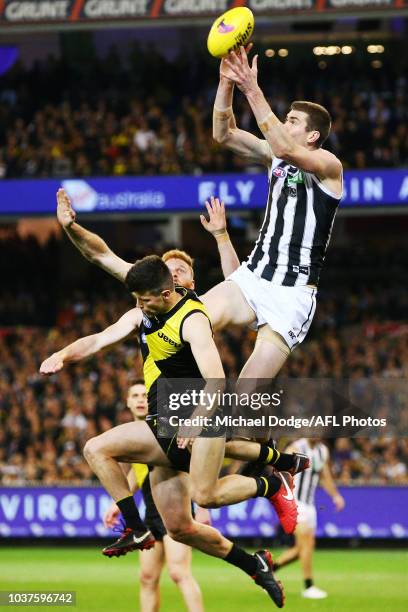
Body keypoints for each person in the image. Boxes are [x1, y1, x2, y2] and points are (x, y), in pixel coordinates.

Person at [40, 255, 286, 608]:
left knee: (198, 492)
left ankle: (270, 483)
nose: (139, 305)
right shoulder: (144, 315)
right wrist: (62, 355)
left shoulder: (193, 319)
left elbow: (216, 381)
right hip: (164, 423)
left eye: (145, 299)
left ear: (167, 292)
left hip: (197, 420)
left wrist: (194, 420)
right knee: (181, 528)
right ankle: (255, 564)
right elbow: (97, 339)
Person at [104, 380, 206, 612]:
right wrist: (118, 503)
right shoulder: (131, 435)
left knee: (179, 573)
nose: (140, 399)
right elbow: (136, 475)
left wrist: (202, 507)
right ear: (128, 403)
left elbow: (193, 466)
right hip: (150, 512)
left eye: (144, 395)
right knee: (148, 577)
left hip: (174, 507)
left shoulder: (167, 427)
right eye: (135, 396)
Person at [273, 438, 345, 600]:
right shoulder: (296, 447)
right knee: (307, 546)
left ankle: (268, 572)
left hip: (310, 505)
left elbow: (324, 475)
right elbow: (279, 469)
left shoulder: (322, 451)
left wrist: (335, 496)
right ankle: (308, 586)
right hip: (295, 503)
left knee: (301, 549)